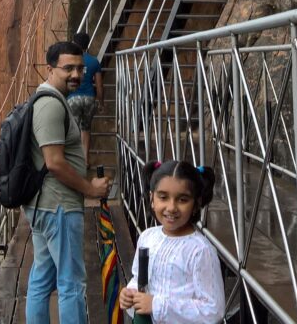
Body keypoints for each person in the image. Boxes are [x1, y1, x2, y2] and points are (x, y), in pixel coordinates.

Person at [25, 41, 111, 324]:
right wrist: (90, 189)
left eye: (80, 68)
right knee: (72, 283)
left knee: (42, 277)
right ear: (50, 69)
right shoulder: (51, 105)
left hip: (45, 205)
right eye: (68, 68)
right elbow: (55, 162)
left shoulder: (51, 99)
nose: (76, 74)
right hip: (58, 206)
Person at [120, 161, 224, 324]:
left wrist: (157, 305)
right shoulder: (147, 237)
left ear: (196, 204)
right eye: (163, 197)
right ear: (152, 198)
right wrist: (130, 293)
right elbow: (139, 279)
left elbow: (214, 310)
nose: (171, 207)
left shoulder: (200, 250)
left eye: (182, 200)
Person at [67, 32, 104, 165]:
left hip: (73, 99)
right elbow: (99, 85)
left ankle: (73, 162)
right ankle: (86, 161)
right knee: (86, 129)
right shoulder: (94, 61)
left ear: (74, 44)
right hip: (89, 98)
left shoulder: (70, 60)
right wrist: (101, 102)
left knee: (72, 130)